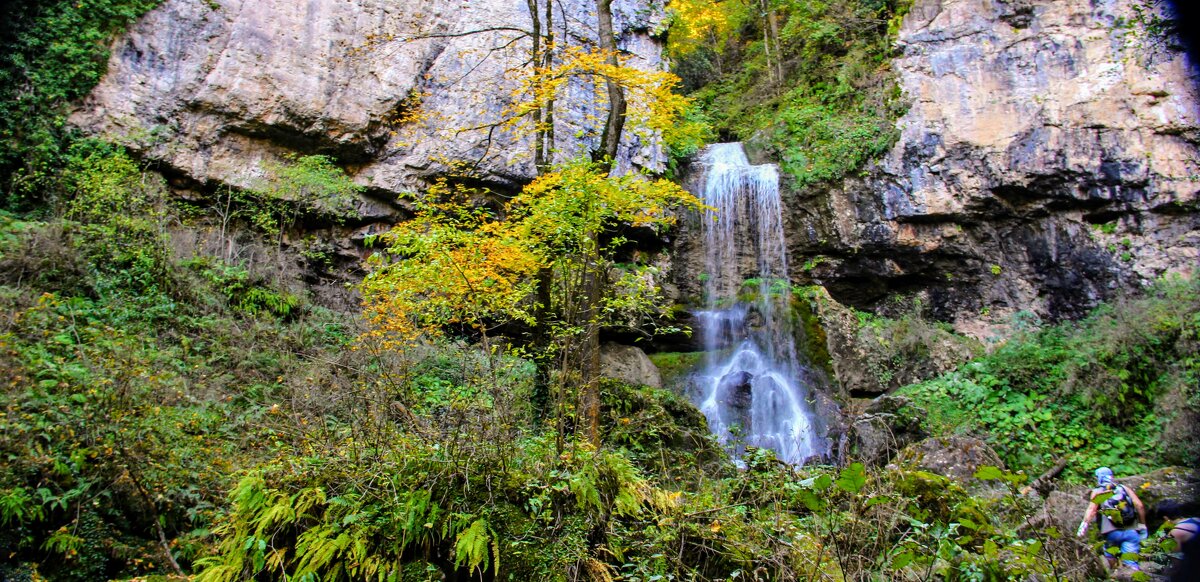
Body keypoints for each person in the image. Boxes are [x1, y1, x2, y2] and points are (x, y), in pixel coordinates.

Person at [1076, 467, 1148, 571]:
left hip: (1111, 533)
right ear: (1112, 477)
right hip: (1130, 530)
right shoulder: (1124, 488)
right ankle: (1133, 574)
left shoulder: (1098, 491)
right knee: (1131, 564)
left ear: (1099, 478)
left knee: (1110, 555)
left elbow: (1092, 510)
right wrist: (1142, 526)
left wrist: (1083, 527)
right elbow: (1139, 506)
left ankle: (1115, 573)